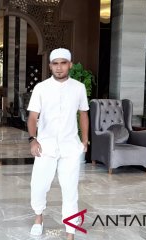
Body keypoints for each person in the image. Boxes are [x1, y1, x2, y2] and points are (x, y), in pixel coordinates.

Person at [27, 48, 89, 240]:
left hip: (70, 146)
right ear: (50, 66)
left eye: (63, 63)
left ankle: (70, 231)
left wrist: (85, 140)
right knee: (39, 185)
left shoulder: (79, 87)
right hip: (45, 146)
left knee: (70, 189)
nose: (59, 67)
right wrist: (33, 139)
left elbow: (84, 114)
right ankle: (39, 217)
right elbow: (32, 117)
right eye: (55, 63)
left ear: (70, 64)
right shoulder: (41, 88)